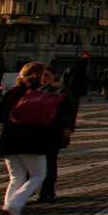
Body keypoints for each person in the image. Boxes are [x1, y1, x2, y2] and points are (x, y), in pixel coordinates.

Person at [0, 62, 69, 215]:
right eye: (42, 74)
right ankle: (13, 206)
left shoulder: (12, 92)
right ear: (35, 76)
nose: (44, 78)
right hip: (32, 141)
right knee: (38, 175)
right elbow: (51, 118)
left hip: (8, 140)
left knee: (15, 178)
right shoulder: (37, 94)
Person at [37, 65, 78, 203]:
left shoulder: (62, 91)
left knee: (50, 161)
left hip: (53, 131)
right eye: (42, 75)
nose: (43, 78)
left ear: (54, 76)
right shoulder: (37, 91)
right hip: (37, 132)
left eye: (47, 75)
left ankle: (47, 191)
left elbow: (70, 111)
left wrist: (68, 127)